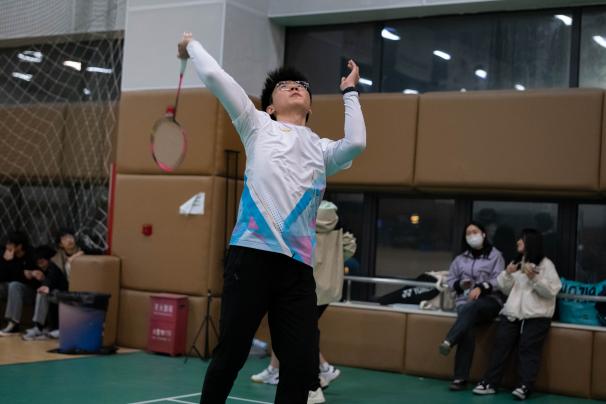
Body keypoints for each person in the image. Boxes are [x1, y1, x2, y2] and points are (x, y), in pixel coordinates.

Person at [177, 32, 366, 404]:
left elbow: (357, 142)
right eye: (284, 86)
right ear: (269, 107)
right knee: (231, 354)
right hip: (250, 258)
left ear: (309, 106)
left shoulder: (322, 150)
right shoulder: (256, 126)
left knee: (299, 366)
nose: (295, 87)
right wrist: (191, 44)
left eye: (302, 86)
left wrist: (350, 92)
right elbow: (215, 76)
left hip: (297, 270)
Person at [251, 201, 355, 392]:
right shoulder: (338, 222)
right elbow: (350, 248)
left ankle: (321, 372)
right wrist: (333, 261)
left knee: (298, 331)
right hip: (329, 286)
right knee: (291, 326)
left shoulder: (302, 219)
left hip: (306, 284)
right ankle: (277, 369)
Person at [473, 229, 561, 400]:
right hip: (512, 313)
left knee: (528, 349)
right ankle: (489, 383)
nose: (518, 242)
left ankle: (524, 386)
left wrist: (534, 278)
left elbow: (552, 291)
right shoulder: (518, 262)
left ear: (530, 242)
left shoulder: (546, 265)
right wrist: (507, 273)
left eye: (521, 239)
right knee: (500, 347)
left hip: (536, 316)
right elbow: (505, 289)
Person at [439, 222, 505, 391]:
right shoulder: (460, 258)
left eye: (475, 232)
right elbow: (451, 280)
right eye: (468, 233)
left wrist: (481, 287)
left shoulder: (495, 255)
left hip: (490, 302)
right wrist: (461, 284)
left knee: (471, 310)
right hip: (465, 302)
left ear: (483, 234)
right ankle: (460, 378)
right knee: (467, 325)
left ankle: (450, 340)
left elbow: (500, 280)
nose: (471, 236)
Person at [22, 245, 69, 340]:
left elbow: (52, 277)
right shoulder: (39, 268)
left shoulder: (55, 265)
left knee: (44, 293)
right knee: (42, 293)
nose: (41, 265)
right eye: (38, 263)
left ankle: (40, 327)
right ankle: (39, 327)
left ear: (49, 259)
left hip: (64, 295)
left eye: (42, 262)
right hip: (52, 294)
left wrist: (45, 284)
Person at [0, 231, 38, 336]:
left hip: (30, 292)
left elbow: (28, 279)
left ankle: (13, 324)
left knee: (15, 285)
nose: (7, 246)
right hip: (11, 289)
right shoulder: (5, 254)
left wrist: (18, 270)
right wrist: (5, 261)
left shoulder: (31, 255)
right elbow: (2, 277)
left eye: (10, 244)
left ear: (19, 246)